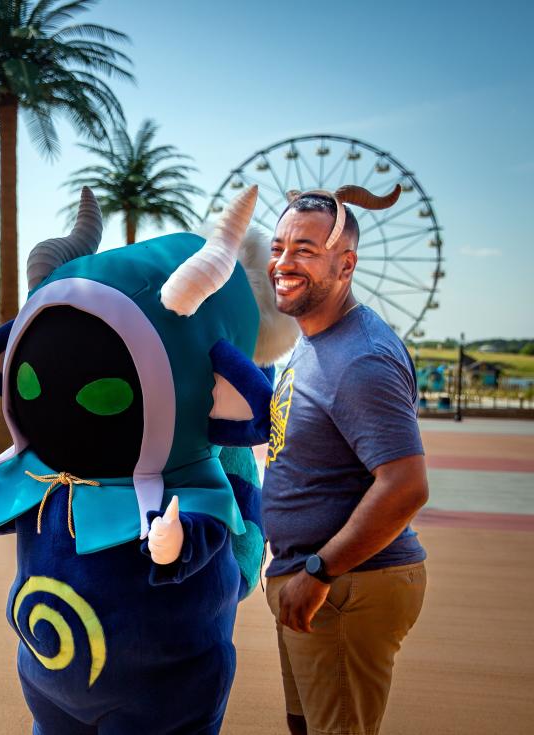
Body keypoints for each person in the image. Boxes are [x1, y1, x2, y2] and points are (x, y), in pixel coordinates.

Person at [262, 185, 429, 735]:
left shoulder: (361, 358)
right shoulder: (312, 340)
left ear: (345, 264)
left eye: (305, 250)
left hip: (344, 586)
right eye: (280, 246)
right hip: (315, 584)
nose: (283, 262)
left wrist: (319, 570)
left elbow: (405, 486)